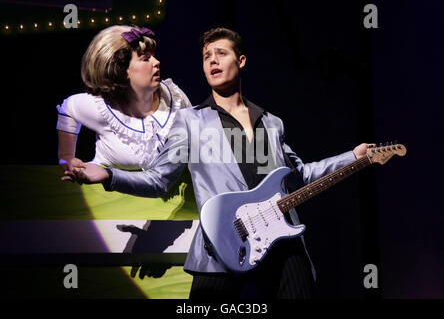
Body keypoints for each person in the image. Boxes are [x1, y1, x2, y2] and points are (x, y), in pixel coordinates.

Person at [68, 27, 371, 299]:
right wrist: (109, 175)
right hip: (223, 240)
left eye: (220, 54)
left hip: (281, 240)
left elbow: (300, 174)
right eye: (206, 56)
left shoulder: (271, 123)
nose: (212, 61)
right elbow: (159, 180)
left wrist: (352, 157)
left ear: (240, 61)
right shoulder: (189, 122)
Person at [57, 25, 192, 176]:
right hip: (111, 191)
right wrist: (66, 156)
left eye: (153, 55)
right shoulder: (102, 108)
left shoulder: (174, 98)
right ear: (121, 71)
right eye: (146, 58)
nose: (156, 62)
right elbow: (68, 107)